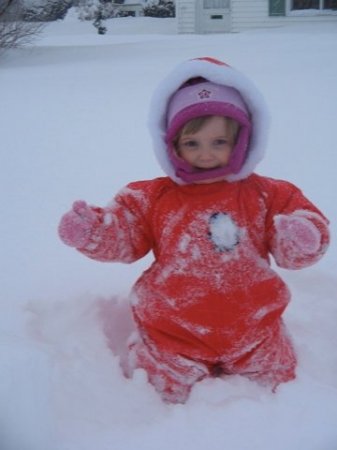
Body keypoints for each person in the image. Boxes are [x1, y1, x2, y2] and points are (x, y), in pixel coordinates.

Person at [58, 57, 330, 404]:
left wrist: (301, 237)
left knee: (281, 384)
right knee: (157, 390)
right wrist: (93, 231)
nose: (206, 154)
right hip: (174, 330)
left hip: (253, 328)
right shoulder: (153, 196)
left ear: (243, 139)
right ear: (171, 144)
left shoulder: (269, 194)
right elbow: (125, 235)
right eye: (192, 143)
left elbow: (300, 238)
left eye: (219, 142)